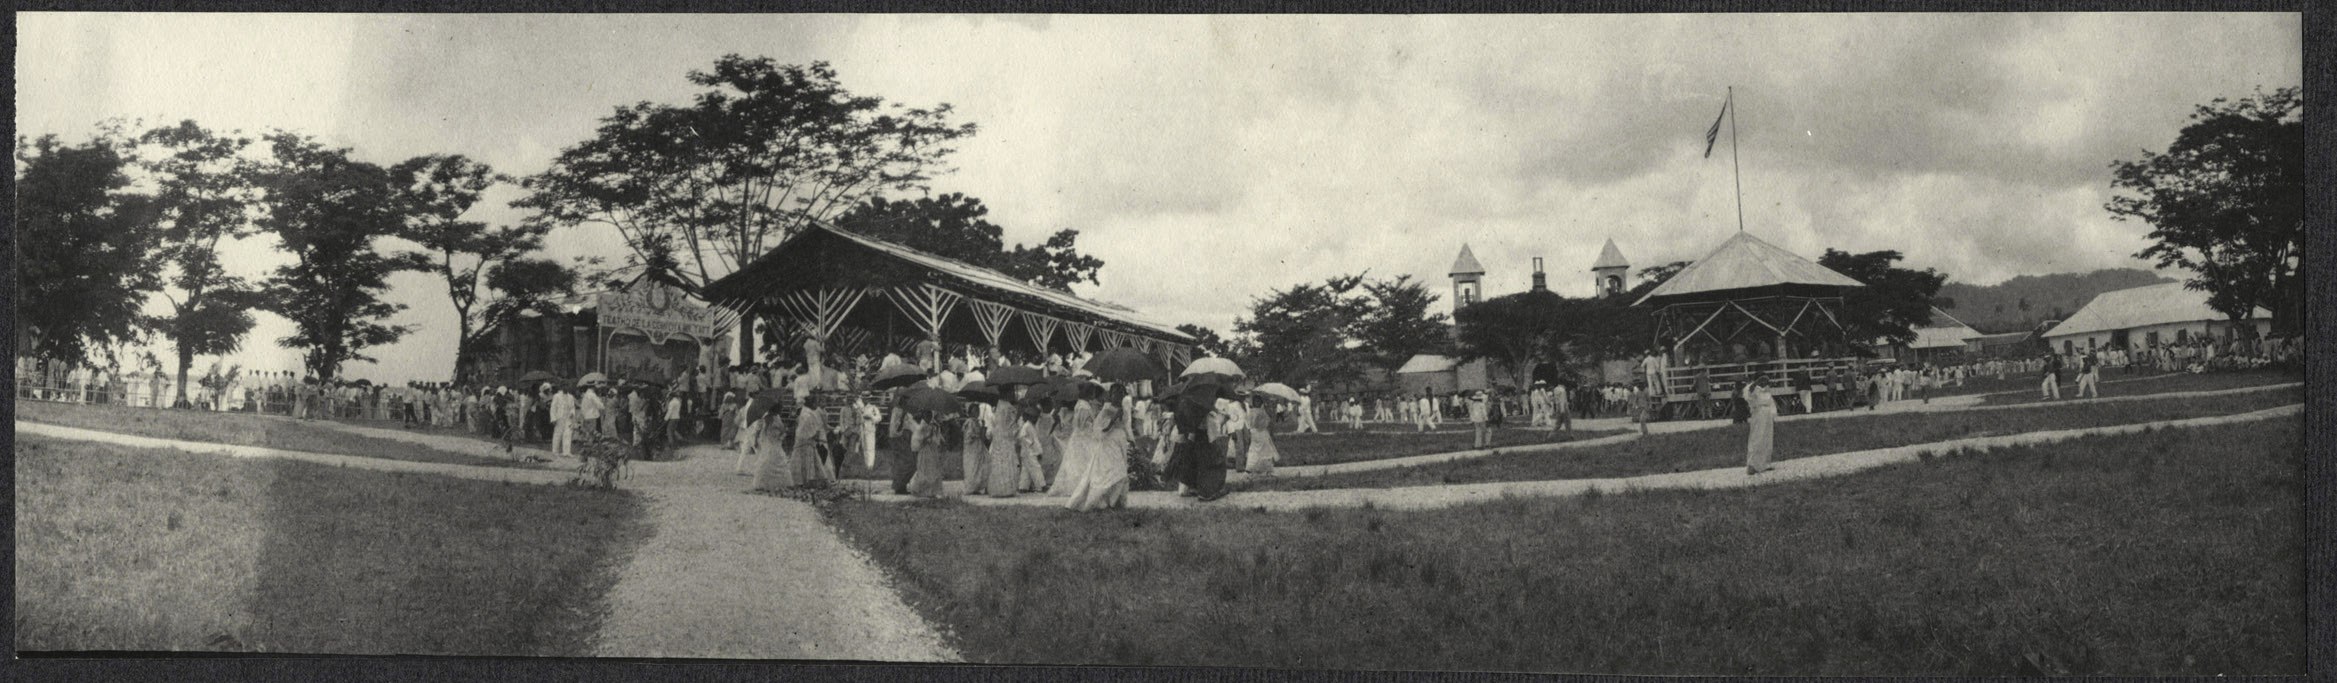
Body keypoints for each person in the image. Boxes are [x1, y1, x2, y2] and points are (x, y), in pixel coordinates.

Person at [1065, 383, 1133, 511]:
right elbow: (1100, 427)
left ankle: (1114, 501)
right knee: (1110, 470)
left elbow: (1126, 424)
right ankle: (1101, 501)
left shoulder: (1124, 407)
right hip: (1108, 441)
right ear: (1111, 395)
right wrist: (1113, 419)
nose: (1117, 396)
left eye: (1120, 394)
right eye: (1115, 394)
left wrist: (1131, 439)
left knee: (1121, 470)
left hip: (1120, 439)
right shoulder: (1107, 408)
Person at [986, 384, 1029, 498]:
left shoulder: (999, 404)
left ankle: (998, 488)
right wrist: (1020, 411)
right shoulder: (1009, 407)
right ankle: (1007, 488)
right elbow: (1012, 424)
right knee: (1008, 459)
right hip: (1006, 435)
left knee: (999, 460)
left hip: (998, 435)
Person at [1743, 372, 1776, 475]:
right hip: (1758, 413)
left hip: (1767, 414)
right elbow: (1749, 394)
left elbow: (1771, 403)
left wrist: (1773, 414)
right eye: (1763, 380)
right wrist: (1756, 382)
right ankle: (1752, 464)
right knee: (1757, 438)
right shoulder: (1751, 388)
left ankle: (1765, 463)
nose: (1765, 382)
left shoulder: (1766, 390)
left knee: (1767, 438)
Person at [1245, 394, 1281, 475]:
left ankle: (1266, 469)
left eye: (1259, 401)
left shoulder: (1258, 411)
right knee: (1256, 449)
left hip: (1260, 432)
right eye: (1255, 401)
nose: (1257, 403)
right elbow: (1254, 423)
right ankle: (1251, 467)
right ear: (1253, 402)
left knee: (1264, 449)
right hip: (1257, 432)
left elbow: (1268, 421)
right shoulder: (1255, 411)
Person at [551, 385, 578, 459]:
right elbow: (553, 407)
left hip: (568, 417)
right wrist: (553, 418)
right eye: (565, 386)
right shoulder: (556, 396)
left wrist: (572, 413)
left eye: (568, 386)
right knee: (558, 433)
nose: (566, 388)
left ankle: (566, 452)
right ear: (562, 387)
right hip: (559, 417)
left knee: (568, 433)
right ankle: (555, 451)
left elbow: (572, 407)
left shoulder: (571, 397)